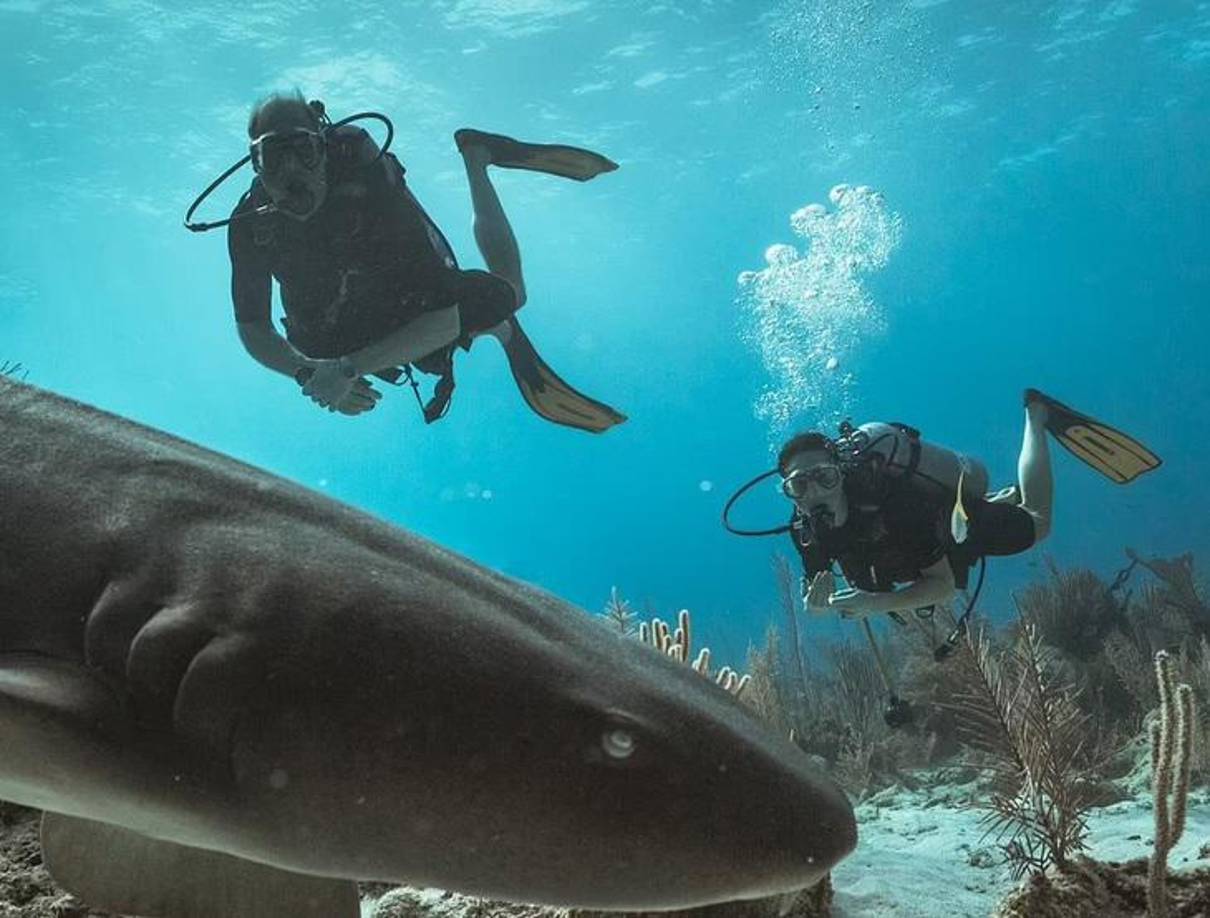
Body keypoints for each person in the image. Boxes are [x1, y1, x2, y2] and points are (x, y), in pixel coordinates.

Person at [226, 90, 626, 431]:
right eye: (272, 156)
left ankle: (477, 159)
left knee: (509, 296)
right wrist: (310, 373)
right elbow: (253, 328)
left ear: (324, 149)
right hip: (334, 329)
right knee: (318, 345)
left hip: (406, 295)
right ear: (255, 164)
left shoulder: (368, 184)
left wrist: (345, 372)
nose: (291, 171)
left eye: (303, 150)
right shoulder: (251, 225)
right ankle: (490, 330)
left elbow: (444, 317)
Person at [777, 388, 1161, 620]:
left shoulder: (897, 506)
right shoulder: (805, 532)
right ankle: (987, 500)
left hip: (945, 526)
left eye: (824, 477)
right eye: (799, 485)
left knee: (1038, 522)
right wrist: (817, 607)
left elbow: (944, 587)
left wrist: (877, 605)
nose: (814, 493)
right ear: (788, 492)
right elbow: (817, 593)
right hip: (918, 548)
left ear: (841, 474)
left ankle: (1037, 414)